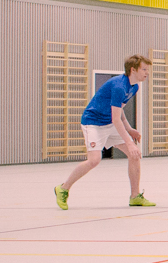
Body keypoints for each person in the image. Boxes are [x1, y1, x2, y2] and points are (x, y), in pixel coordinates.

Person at [54, 54, 153, 208]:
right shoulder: (119, 86)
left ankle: (135, 196)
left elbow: (119, 110)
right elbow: (116, 119)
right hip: (93, 122)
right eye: (144, 69)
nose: (147, 73)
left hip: (109, 122)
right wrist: (129, 142)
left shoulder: (134, 87)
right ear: (133, 70)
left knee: (134, 155)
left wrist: (129, 129)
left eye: (148, 70)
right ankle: (63, 188)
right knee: (94, 160)